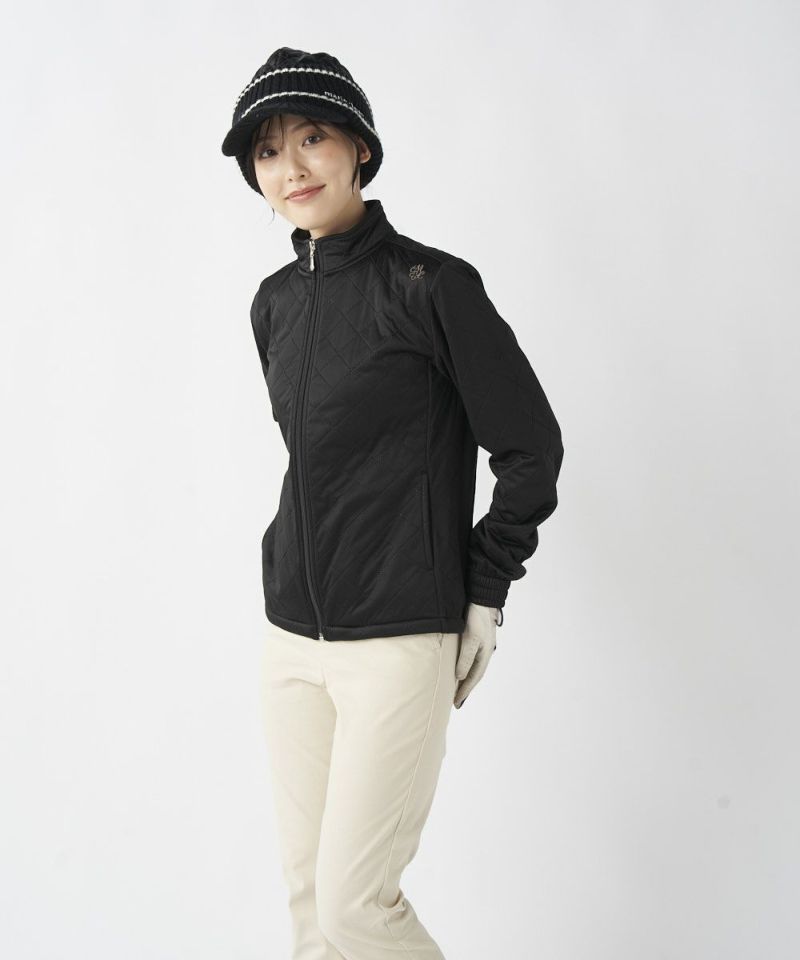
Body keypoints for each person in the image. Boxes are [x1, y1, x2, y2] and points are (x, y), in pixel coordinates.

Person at [221, 46, 564, 960]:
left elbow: (531, 450)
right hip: (292, 638)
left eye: (313, 138)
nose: (291, 168)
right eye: (267, 151)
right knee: (310, 909)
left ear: (360, 149)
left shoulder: (432, 286)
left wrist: (484, 589)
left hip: (399, 639)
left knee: (356, 909)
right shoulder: (273, 304)